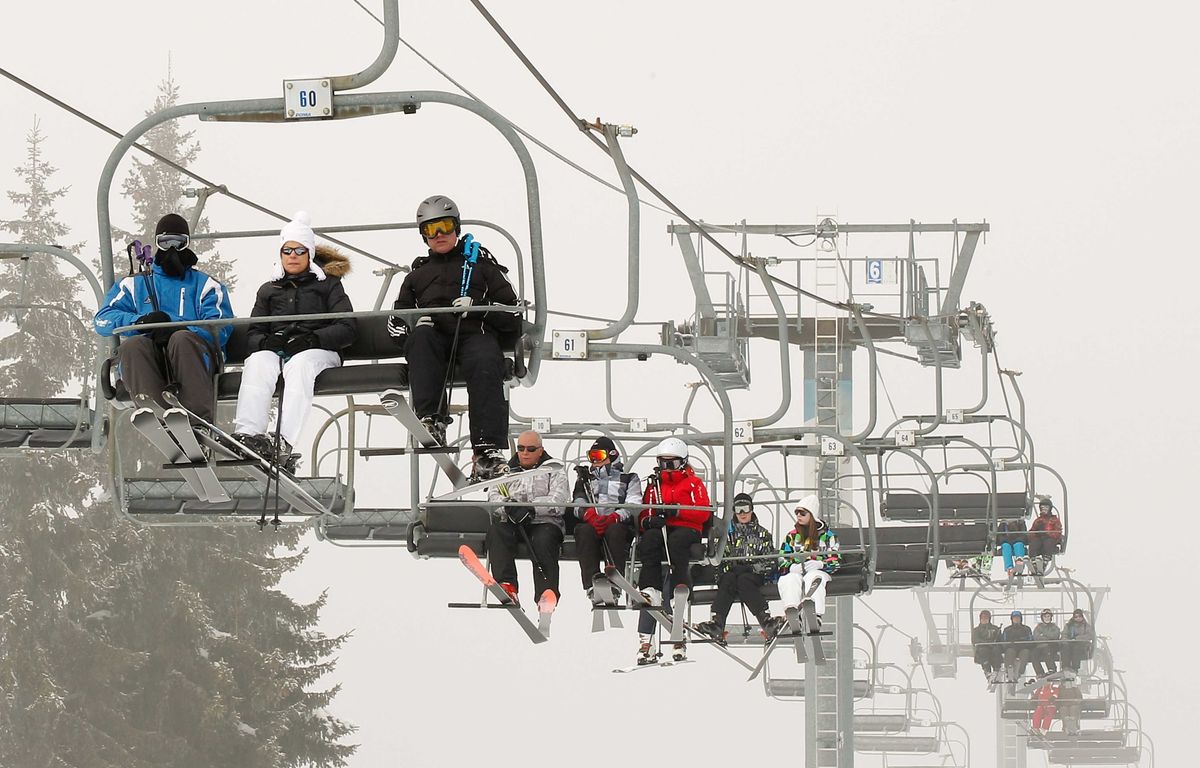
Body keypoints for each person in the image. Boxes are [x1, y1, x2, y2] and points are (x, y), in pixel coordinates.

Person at [388, 195, 521, 476]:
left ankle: (486, 448)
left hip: (474, 334)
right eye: (430, 230)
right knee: (421, 339)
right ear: (423, 235)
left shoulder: (483, 267)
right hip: (434, 338)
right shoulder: (416, 276)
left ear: (457, 227)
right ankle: (430, 419)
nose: (439, 235)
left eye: (445, 226)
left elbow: (513, 315)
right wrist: (411, 325)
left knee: (485, 357)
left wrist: (480, 310)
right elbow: (396, 322)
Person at [232, 212, 355, 469]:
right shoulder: (269, 290)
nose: (293, 256)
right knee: (258, 362)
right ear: (281, 253)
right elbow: (254, 333)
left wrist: (312, 339)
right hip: (280, 351)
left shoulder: (328, 286)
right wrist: (266, 343)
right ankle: (249, 433)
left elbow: (346, 328)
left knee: (300, 365)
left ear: (309, 253)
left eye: (299, 251)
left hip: (319, 352)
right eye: (287, 250)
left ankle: (283, 440)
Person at [94, 213, 233, 421]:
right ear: (157, 244)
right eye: (165, 242)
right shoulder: (135, 285)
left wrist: (175, 327)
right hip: (151, 357)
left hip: (192, 357)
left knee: (181, 339)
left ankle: (198, 421)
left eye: (179, 243)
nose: (172, 249)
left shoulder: (205, 285)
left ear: (187, 244)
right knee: (133, 346)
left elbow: (219, 328)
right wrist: (140, 322)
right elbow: (103, 320)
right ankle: (156, 416)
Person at [634, 436, 712, 664]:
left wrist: (677, 512)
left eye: (673, 463)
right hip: (662, 528)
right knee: (649, 542)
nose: (667, 468)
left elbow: (703, 511)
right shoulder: (654, 485)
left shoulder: (692, 483)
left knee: (677, 545)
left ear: (683, 462)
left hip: (686, 529)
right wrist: (648, 521)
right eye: (663, 463)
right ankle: (650, 589)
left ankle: (680, 590)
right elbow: (645, 509)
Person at [484, 430, 569, 605]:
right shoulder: (506, 471)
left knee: (543, 540)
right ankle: (507, 585)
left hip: (544, 521)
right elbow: (494, 495)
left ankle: (546, 593)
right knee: (497, 532)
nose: (525, 453)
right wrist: (509, 508)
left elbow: (558, 500)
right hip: (513, 521)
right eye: (521, 448)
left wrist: (531, 508)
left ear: (540, 450)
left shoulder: (554, 469)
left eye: (530, 449)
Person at [694, 493, 783, 644]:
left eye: (745, 509)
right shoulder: (725, 535)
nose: (742, 513)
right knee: (730, 578)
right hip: (729, 575)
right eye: (738, 509)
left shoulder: (762, 534)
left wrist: (752, 568)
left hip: (753, 576)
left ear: (751, 509)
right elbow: (717, 559)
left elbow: (769, 561)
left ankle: (766, 621)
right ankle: (717, 623)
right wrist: (729, 569)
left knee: (744, 580)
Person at [571, 437, 640, 597]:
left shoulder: (628, 478)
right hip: (592, 523)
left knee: (615, 531)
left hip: (617, 524)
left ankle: (615, 582)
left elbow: (634, 503)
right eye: (591, 456)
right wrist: (588, 514)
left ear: (612, 454)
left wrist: (615, 517)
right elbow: (577, 501)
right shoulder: (585, 480)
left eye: (599, 455)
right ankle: (592, 583)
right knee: (583, 530)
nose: (594, 460)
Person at [776, 494, 841, 633]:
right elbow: (782, 558)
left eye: (802, 513)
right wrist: (791, 567)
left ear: (811, 514)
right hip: (797, 571)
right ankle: (792, 612)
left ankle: (815, 614)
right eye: (796, 512)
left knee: (814, 578)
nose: (798, 516)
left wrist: (822, 564)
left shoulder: (828, 536)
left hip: (818, 571)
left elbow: (835, 559)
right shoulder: (792, 536)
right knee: (789, 579)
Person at [1027, 498, 1063, 575]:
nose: (1044, 510)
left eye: (1046, 508)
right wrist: (1036, 533)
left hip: (1050, 539)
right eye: (1042, 508)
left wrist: (1048, 533)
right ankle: (1033, 561)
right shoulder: (1038, 520)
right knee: (1034, 543)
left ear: (1050, 508)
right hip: (1040, 539)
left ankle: (1044, 561)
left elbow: (1058, 531)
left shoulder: (1054, 520)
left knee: (1048, 543)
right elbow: (1032, 531)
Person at [1001, 610, 1035, 683]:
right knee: (1009, 652)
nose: (1016, 620)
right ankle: (1009, 670)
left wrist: (1025, 644)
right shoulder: (1007, 630)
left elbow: (1031, 640)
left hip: (1023, 648)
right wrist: (1009, 645)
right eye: (1014, 618)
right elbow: (1003, 641)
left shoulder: (1026, 629)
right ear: (1012, 619)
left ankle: (1019, 672)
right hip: (1012, 648)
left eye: (1018, 618)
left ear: (1021, 619)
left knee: (1025, 653)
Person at [971, 609, 1003, 683]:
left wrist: (997, 640)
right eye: (983, 618)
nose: (984, 620)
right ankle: (987, 671)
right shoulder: (976, 630)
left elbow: (1000, 640)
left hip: (994, 648)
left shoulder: (995, 629)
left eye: (986, 618)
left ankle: (996, 669)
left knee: (997, 650)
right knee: (984, 651)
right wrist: (987, 643)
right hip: (982, 649)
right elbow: (975, 640)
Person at [1061, 608, 1094, 673]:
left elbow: (1090, 635)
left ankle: (1075, 668)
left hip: (1082, 644)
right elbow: (1064, 634)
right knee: (1065, 647)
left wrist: (1078, 638)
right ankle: (1065, 667)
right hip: (1070, 643)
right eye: (1076, 617)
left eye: (1079, 616)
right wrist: (1066, 640)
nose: (1078, 618)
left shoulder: (1086, 626)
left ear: (1082, 617)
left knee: (1076, 648)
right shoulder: (1069, 625)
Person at [1031, 608, 1061, 678]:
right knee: (1033, 654)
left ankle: (1052, 669)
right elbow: (1036, 637)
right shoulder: (1038, 627)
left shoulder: (1054, 627)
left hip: (1051, 646)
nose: (1047, 618)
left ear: (1051, 617)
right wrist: (1048, 637)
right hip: (1039, 646)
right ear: (1042, 618)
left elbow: (1055, 635)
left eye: (1048, 616)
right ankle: (1040, 672)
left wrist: (1043, 635)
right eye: (1045, 616)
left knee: (1048, 651)